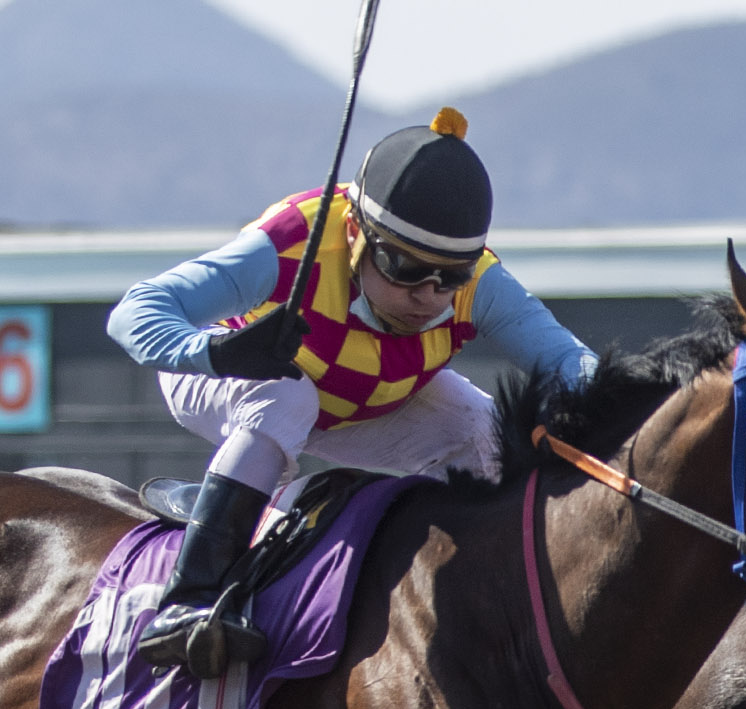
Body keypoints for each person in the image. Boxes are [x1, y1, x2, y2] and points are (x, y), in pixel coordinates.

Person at [107, 108, 598, 675]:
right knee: (288, 397)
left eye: (451, 276)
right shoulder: (289, 244)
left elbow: (570, 362)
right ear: (355, 234)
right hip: (228, 376)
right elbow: (135, 312)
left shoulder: (482, 284)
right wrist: (218, 353)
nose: (429, 295)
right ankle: (190, 601)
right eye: (404, 267)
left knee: (480, 426)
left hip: (361, 401)